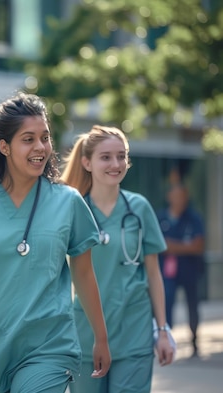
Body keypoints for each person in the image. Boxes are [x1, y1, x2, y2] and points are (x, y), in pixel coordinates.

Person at [0, 92, 111, 393]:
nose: (40, 147)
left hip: (48, 347)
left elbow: (83, 273)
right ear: (4, 147)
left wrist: (101, 338)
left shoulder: (68, 202)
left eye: (45, 137)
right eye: (28, 139)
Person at [62, 125, 174, 392]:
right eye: (106, 157)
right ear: (87, 162)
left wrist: (162, 329)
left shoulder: (139, 208)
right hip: (85, 335)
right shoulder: (73, 210)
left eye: (121, 156)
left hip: (133, 332)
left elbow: (153, 274)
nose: (116, 164)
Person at [157, 179, 205, 358]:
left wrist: (173, 246)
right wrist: (184, 245)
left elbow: (198, 246)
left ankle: (194, 340)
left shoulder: (193, 218)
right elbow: (158, 245)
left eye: (183, 196)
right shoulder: (161, 217)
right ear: (169, 197)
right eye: (176, 196)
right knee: (166, 303)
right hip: (167, 272)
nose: (179, 200)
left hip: (190, 271)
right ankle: (165, 339)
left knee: (193, 305)